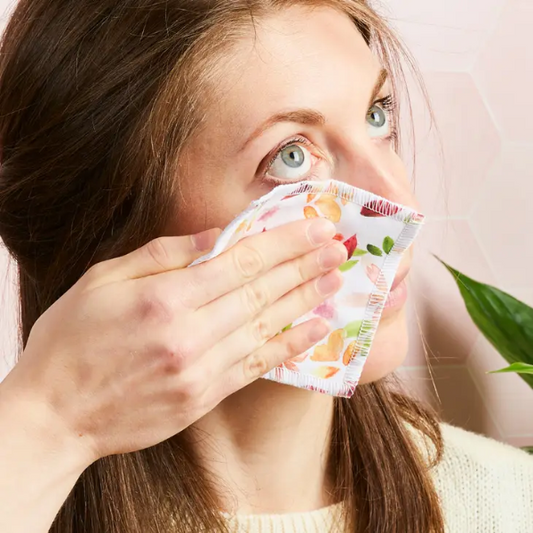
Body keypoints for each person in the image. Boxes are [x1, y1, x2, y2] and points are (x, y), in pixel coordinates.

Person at [0, 1, 531, 532]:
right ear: (116, 231)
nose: (399, 206)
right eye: (290, 157)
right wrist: (47, 423)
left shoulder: (510, 503)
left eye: (377, 115)